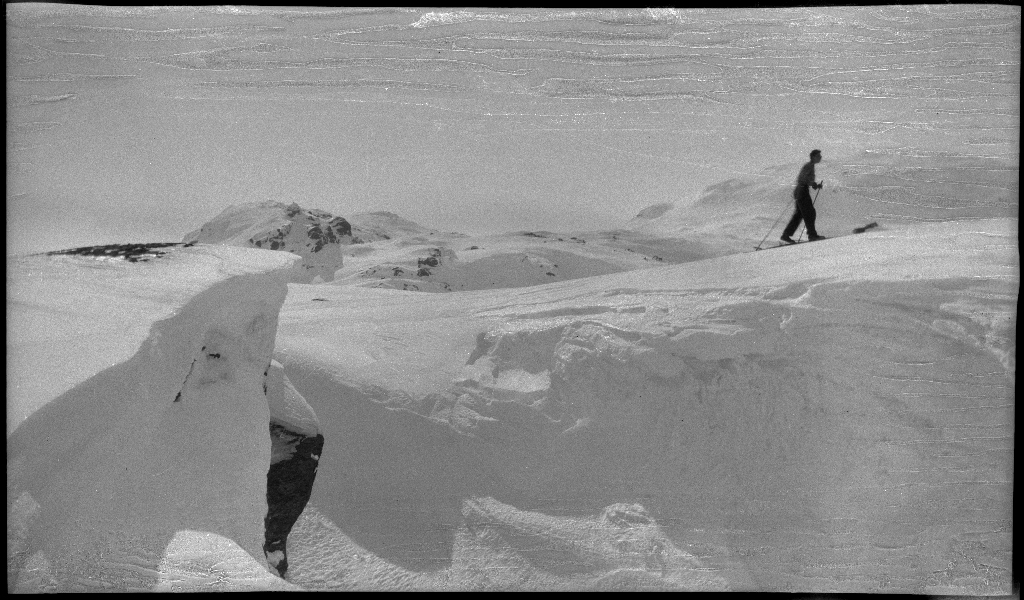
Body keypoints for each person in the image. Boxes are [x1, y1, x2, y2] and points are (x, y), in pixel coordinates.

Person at [781, 149, 825, 243]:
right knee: (810, 213)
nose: (820, 157)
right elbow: (803, 178)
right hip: (802, 191)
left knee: (799, 214)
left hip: (800, 191)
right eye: (818, 156)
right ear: (813, 157)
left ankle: (786, 235)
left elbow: (804, 179)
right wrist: (813, 184)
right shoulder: (809, 166)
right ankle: (812, 235)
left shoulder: (810, 166)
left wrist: (814, 185)